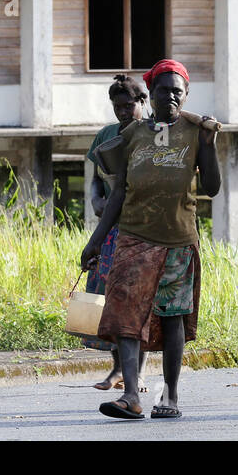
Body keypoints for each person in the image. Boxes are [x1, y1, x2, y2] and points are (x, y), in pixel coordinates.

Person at [80, 59, 220, 421]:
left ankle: (170, 395)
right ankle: (130, 395)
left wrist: (211, 143)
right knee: (126, 313)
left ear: (186, 94)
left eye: (177, 90)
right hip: (133, 237)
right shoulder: (133, 134)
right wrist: (96, 240)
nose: (170, 96)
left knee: (172, 318)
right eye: (163, 90)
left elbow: (212, 188)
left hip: (177, 240)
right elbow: (118, 190)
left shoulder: (196, 131)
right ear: (151, 94)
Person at [83, 74, 149, 392]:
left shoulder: (153, 134)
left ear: (142, 103)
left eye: (129, 105)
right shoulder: (106, 135)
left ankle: (136, 372)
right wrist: (96, 198)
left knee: (138, 300)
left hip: (144, 226)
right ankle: (117, 368)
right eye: (117, 106)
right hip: (111, 227)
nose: (123, 112)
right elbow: (97, 177)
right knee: (109, 298)